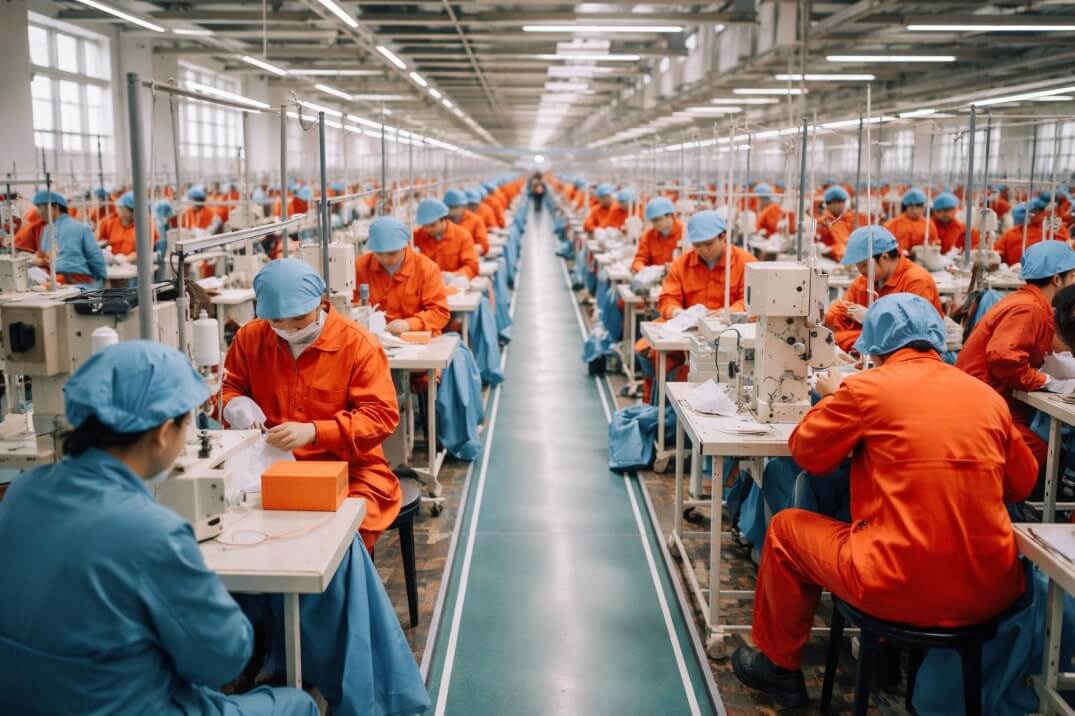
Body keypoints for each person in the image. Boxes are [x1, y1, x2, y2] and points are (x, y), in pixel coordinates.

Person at [733, 294, 1038, 707]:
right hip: (987, 589)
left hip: (895, 578)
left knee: (787, 530)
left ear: (873, 345)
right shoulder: (986, 398)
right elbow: (1022, 484)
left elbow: (807, 455)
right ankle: (892, 654)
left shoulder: (865, 389)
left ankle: (780, 667)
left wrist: (829, 397)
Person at [0, 341, 317, 716]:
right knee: (296, 703)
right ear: (165, 432)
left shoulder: (22, 492)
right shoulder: (152, 532)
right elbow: (223, 659)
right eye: (187, 424)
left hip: (26, 701)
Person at [222, 259, 401, 550]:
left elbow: (381, 417)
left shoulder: (357, 345)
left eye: (300, 318)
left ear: (320, 302)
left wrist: (316, 432)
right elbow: (227, 387)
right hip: (269, 469)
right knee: (240, 535)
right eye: (277, 321)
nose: (289, 328)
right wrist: (234, 404)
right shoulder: (250, 339)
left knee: (334, 541)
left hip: (350, 470)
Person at [957, 240, 1075, 468]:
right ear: (1057, 279)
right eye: (1072, 277)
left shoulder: (1031, 304)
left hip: (994, 396)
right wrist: (1047, 381)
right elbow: (1005, 359)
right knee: (1037, 451)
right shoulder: (1028, 308)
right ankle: (1002, 500)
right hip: (982, 401)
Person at [634, 211, 756, 402]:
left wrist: (727, 313)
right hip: (687, 330)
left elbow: (751, 301)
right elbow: (667, 298)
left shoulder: (745, 262)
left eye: (709, 244)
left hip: (728, 331)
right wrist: (678, 312)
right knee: (646, 350)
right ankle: (658, 406)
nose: (704, 250)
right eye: (698, 245)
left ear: (723, 236)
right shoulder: (681, 264)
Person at [824, 225, 942, 353]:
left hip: (913, 352)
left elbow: (915, 334)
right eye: (858, 267)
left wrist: (872, 317)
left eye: (864, 266)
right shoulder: (865, 281)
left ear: (884, 257)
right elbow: (841, 315)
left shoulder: (917, 282)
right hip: (879, 349)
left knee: (838, 340)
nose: (861, 271)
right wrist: (821, 317)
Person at [355, 216, 449, 336]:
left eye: (392, 253)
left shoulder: (426, 269)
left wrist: (409, 324)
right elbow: (350, 305)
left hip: (419, 342)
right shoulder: (360, 266)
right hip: (374, 340)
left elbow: (440, 313)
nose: (385, 259)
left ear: (406, 245)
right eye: (379, 253)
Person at [33, 190, 106, 287]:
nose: (39, 212)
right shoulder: (79, 227)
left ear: (56, 207)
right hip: (70, 281)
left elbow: (95, 258)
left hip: (68, 281)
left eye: (41, 208)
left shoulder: (47, 230)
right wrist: (100, 277)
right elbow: (96, 259)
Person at [413, 198, 480, 280]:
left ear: (443, 219)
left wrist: (456, 276)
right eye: (425, 226)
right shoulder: (418, 235)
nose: (428, 229)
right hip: (428, 285)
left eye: (432, 225)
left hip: (456, 286)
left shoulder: (462, 236)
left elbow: (472, 266)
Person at [995, 196, 1071, 266]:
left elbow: (1064, 251)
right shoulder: (1013, 232)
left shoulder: (1053, 229)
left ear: (1042, 212)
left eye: (1032, 212)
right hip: (1015, 273)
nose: (1030, 215)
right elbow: (998, 252)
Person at [97, 191, 159, 258]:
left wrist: (126, 260)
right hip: (113, 264)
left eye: (120, 207)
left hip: (136, 266)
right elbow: (98, 242)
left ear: (128, 212)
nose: (116, 209)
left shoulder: (146, 225)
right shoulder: (111, 221)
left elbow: (146, 251)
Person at [631, 197, 682, 272]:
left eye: (658, 220)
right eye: (652, 221)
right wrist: (646, 271)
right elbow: (638, 261)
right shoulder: (648, 236)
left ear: (669, 215)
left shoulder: (685, 233)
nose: (655, 224)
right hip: (656, 280)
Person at [445, 188, 489, 256]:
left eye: (455, 207)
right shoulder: (442, 222)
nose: (452, 210)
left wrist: (468, 250)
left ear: (464, 206)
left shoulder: (476, 221)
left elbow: (484, 245)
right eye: (449, 207)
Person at [884, 187, 928, 253]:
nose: (915, 211)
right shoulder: (892, 224)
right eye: (911, 207)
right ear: (905, 207)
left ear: (923, 208)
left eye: (918, 206)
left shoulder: (928, 225)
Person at [815, 185, 852, 261]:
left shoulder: (845, 218)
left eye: (843, 202)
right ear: (831, 203)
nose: (841, 206)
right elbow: (822, 246)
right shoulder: (823, 222)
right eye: (841, 202)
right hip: (830, 261)